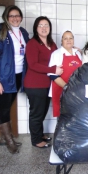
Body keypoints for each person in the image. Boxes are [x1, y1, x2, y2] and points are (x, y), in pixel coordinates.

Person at [0, 5, 29, 154]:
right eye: (11, 16)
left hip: (16, 76)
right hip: (2, 78)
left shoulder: (23, 33)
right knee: (3, 108)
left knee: (8, 105)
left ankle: (4, 137)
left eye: (17, 15)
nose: (15, 18)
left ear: (21, 17)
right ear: (6, 17)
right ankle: (9, 141)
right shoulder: (0, 33)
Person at [24, 16, 63, 148]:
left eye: (46, 25)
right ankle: (36, 140)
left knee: (43, 111)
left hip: (47, 85)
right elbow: (33, 64)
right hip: (35, 84)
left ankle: (40, 134)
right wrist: (53, 69)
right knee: (36, 113)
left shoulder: (51, 44)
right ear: (36, 28)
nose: (44, 28)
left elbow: (58, 56)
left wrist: (73, 49)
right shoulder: (32, 44)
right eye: (40, 25)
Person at [48, 30, 82, 117]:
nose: (68, 40)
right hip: (61, 91)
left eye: (70, 38)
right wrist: (67, 87)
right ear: (61, 41)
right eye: (65, 38)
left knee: (75, 117)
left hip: (76, 91)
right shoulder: (56, 54)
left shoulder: (78, 53)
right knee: (62, 119)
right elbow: (52, 75)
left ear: (73, 40)